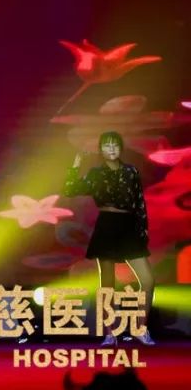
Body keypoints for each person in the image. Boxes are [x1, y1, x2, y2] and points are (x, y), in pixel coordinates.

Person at [64, 131, 156, 346]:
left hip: (129, 226)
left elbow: (139, 203)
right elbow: (70, 190)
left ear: (121, 148)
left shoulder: (131, 171)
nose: (112, 149)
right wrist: (76, 164)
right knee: (107, 284)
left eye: (115, 145)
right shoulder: (96, 173)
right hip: (107, 226)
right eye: (107, 145)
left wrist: (143, 232)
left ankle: (140, 328)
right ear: (101, 150)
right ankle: (110, 332)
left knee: (148, 280)